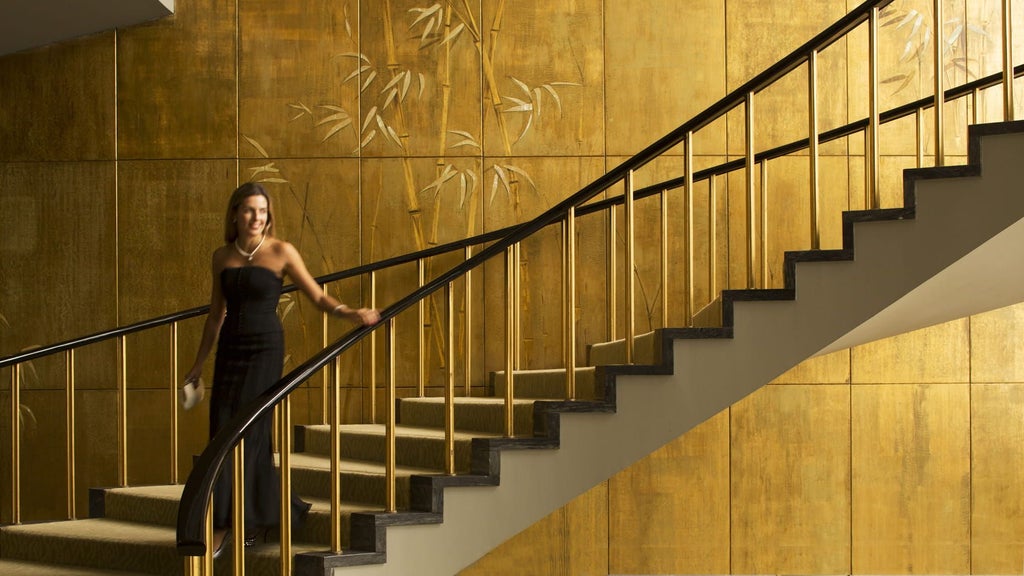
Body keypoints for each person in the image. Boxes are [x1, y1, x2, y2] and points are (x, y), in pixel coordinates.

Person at [184, 182, 380, 558]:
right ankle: (247, 515)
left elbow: (318, 297)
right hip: (229, 350)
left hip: (264, 349)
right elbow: (214, 317)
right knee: (222, 429)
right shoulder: (221, 256)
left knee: (250, 430)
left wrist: (352, 313)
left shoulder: (281, 251)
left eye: (262, 211)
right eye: (248, 210)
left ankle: (232, 522)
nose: (257, 217)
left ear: (268, 215)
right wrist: (197, 365)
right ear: (235, 214)